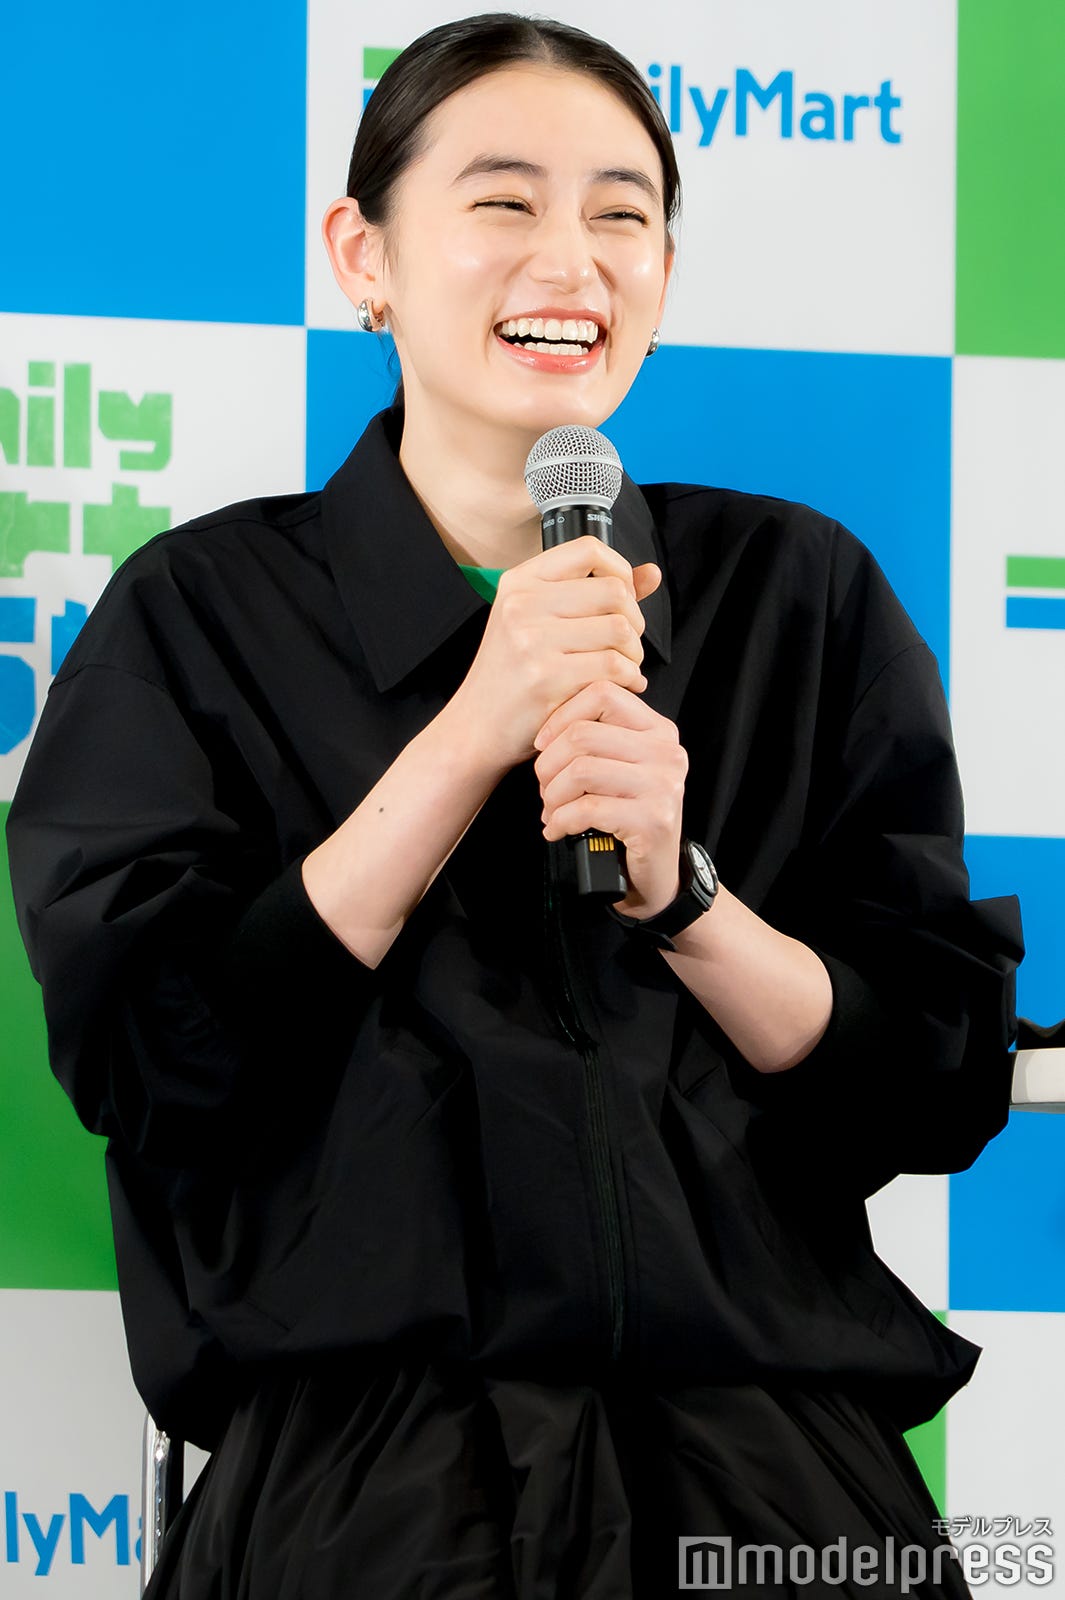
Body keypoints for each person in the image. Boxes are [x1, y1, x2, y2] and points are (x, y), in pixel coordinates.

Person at [6, 13, 1022, 1598]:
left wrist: (687, 898)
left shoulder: (796, 597)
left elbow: (926, 1086)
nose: (573, 259)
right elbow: (160, 1061)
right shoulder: (200, 614)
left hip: (771, 1474)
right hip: (363, 1479)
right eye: (502, 202)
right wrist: (467, 733)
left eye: (622, 214)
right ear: (363, 255)